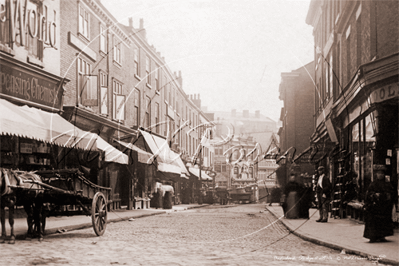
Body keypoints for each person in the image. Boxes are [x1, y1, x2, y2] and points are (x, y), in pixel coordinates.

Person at [363, 164, 396, 243]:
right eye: (379, 173)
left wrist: (387, 196)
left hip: (384, 207)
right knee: (373, 221)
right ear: (376, 174)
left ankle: (382, 235)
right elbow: (368, 194)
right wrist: (374, 195)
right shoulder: (373, 184)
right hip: (374, 207)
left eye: (382, 173)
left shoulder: (387, 184)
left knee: (383, 221)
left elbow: (391, 194)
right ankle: (373, 236)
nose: (380, 175)